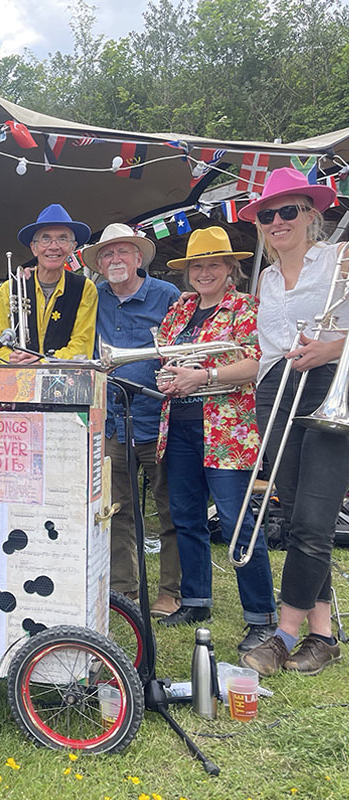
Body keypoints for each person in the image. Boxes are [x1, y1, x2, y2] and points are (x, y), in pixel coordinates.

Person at [237, 168, 349, 677]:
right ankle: (323, 635)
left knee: (312, 520)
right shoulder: (264, 277)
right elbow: (267, 350)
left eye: (287, 211)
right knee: (302, 511)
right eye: (267, 214)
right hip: (275, 390)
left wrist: (336, 346)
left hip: (328, 383)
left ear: (311, 214)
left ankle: (282, 636)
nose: (276, 220)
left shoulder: (338, 258)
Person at [155, 226, 278, 654]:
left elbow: (257, 364)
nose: (204, 272)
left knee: (237, 521)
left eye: (213, 264)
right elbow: (166, 357)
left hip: (228, 430)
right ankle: (196, 600)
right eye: (197, 265)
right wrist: (171, 378)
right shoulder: (180, 310)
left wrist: (202, 376)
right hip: (181, 425)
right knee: (187, 518)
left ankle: (261, 616)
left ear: (231, 268)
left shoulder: (246, 308)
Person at [81, 223, 182, 616]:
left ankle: (171, 591)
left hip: (158, 415)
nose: (115, 259)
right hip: (111, 419)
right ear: (100, 264)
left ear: (139, 258)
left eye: (123, 252)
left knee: (169, 505)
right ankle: (124, 590)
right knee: (115, 508)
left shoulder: (167, 295)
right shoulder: (96, 297)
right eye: (107, 254)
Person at [0, 204, 98, 362]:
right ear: (34, 248)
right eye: (46, 238)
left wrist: (42, 362)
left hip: (63, 381)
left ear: (73, 247)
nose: (54, 246)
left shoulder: (85, 288)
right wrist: (10, 359)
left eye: (62, 238)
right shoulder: (9, 289)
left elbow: (82, 346)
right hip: (16, 379)